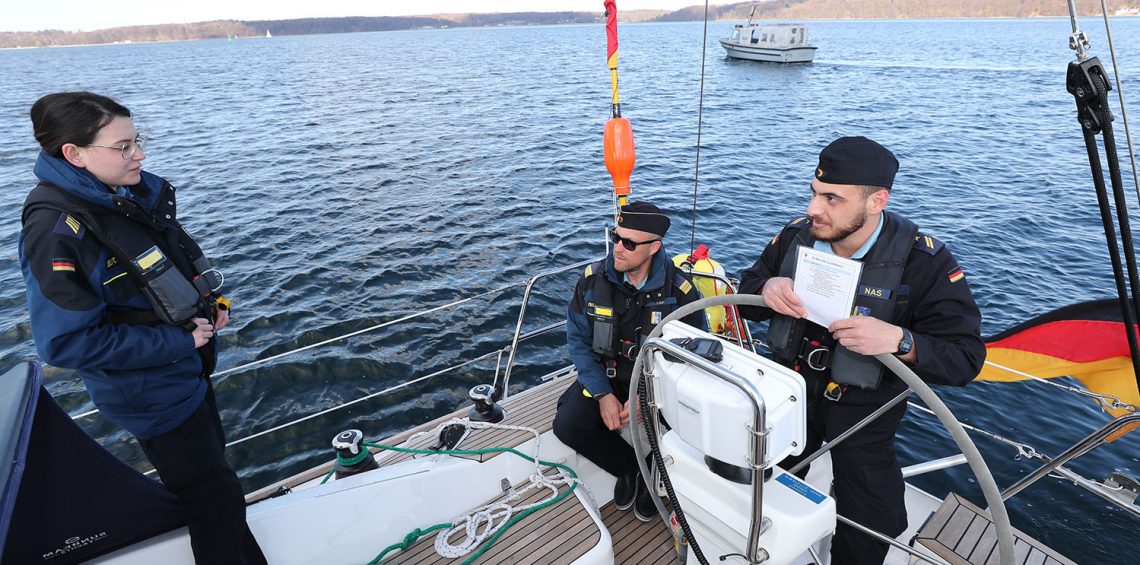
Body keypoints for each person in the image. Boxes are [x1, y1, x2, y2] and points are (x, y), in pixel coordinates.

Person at [19, 92, 266, 564]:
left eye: (138, 141)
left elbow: (163, 271)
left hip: (185, 372)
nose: (140, 155)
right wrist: (178, 340)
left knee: (219, 490)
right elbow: (66, 341)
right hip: (154, 394)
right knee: (213, 502)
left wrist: (214, 305)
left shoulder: (118, 198)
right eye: (124, 146)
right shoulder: (55, 232)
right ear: (74, 153)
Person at [738, 136, 985, 564]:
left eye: (832, 198)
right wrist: (767, 287)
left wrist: (899, 341)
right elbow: (746, 291)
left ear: (877, 202)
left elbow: (965, 358)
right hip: (790, 394)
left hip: (865, 411)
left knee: (872, 521)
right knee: (760, 483)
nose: (815, 208)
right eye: (815, 194)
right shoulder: (796, 237)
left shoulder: (925, 264)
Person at [553, 201, 707, 522]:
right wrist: (602, 394)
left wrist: (648, 396)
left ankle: (659, 470)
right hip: (608, 378)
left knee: (689, 426)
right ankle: (632, 468)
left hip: (657, 384)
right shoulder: (592, 281)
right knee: (568, 424)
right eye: (616, 237)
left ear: (654, 247)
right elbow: (579, 342)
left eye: (629, 243)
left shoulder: (681, 293)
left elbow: (690, 356)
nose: (617, 249)